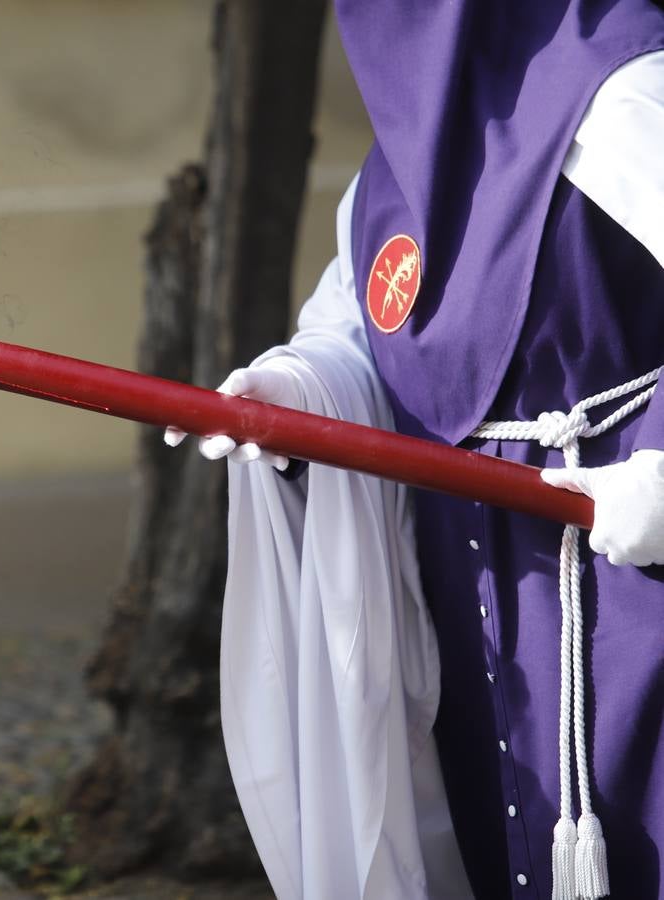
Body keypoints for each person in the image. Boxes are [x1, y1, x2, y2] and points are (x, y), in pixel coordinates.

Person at [168, 2, 664, 897]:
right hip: (477, 608)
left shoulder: (632, 95)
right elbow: (365, 334)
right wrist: (290, 396)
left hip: (631, 580)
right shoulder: (396, 172)